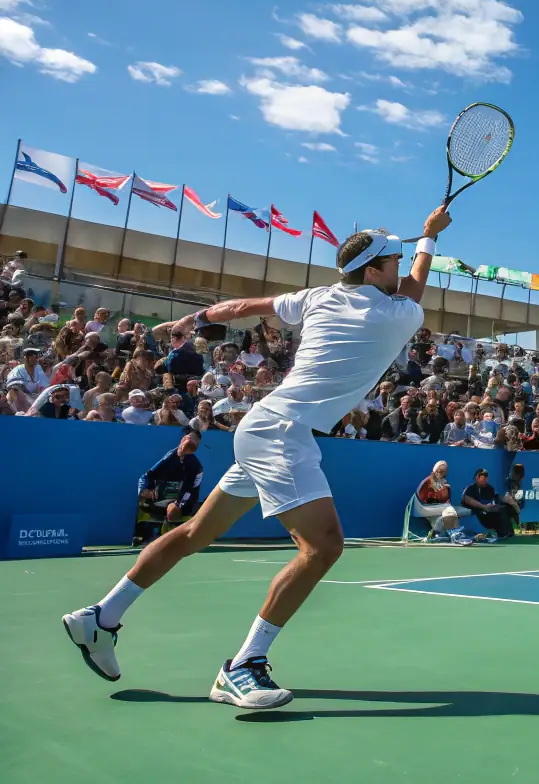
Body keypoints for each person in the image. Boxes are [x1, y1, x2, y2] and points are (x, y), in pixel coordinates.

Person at [63, 206, 452, 710]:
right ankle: (244, 666)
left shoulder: (317, 297)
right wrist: (427, 239)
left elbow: (247, 305)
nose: (401, 267)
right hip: (282, 433)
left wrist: (195, 318)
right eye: (393, 260)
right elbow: (416, 287)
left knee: (192, 535)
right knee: (324, 547)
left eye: (402, 258)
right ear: (374, 272)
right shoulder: (392, 311)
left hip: (265, 427)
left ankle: (101, 616)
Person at [133, 431, 205, 546]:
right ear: (182, 440)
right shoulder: (169, 456)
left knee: (172, 510)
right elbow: (147, 475)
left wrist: (178, 504)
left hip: (185, 502)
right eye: (188, 438)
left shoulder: (194, 465)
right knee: (144, 504)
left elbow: (189, 490)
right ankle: (145, 536)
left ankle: (168, 538)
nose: (190, 442)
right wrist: (143, 491)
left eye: (195, 442)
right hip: (163, 497)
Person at [414, 460, 474, 545]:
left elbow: (446, 500)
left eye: (444, 472)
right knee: (448, 508)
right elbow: (426, 499)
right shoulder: (427, 482)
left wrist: (444, 490)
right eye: (440, 471)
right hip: (423, 507)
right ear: (435, 470)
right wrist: (442, 491)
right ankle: (456, 533)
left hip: (433, 509)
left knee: (443, 517)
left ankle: (436, 534)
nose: (441, 473)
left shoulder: (444, 483)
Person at [462, 467, 514, 538]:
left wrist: (504, 500)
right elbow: (467, 500)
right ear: (477, 478)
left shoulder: (489, 488)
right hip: (480, 516)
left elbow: (497, 498)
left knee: (505, 508)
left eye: (486, 478)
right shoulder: (470, 489)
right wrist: (484, 507)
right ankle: (504, 533)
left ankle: (507, 533)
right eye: (483, 478)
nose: (485, 480)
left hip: (490, 513)